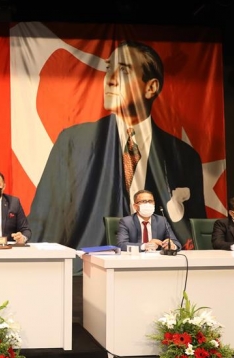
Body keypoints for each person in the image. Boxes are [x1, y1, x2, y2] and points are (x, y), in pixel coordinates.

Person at [28, 40, 205, 254]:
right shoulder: (74, 142)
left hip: (157, 263)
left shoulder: (183, 157)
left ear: (151, 87)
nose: (110, 80)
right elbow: (45, 218)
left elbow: (195, 232)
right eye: (108, 69)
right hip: (89, 260)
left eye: (123, 71)